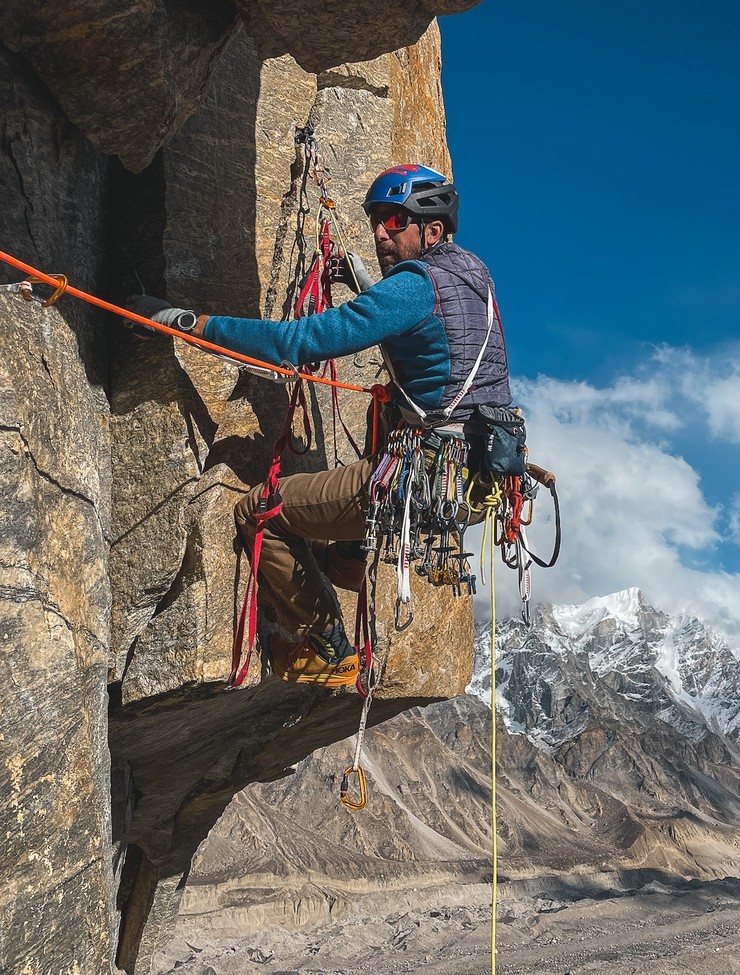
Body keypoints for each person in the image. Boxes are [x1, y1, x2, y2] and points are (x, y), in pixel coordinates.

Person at [130, 164, 513, 687]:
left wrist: (187, 323)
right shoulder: (475, 275)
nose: (380, 232)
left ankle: (327, 647)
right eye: (377, 220)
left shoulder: (414, 287)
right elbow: (421, 319)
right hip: (480, 478)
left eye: (394, 220)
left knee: (261, 512)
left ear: (432, 229)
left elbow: (296, 343)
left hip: (425, 480)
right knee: (385, 412)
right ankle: (348, 561)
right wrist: (361, 278)